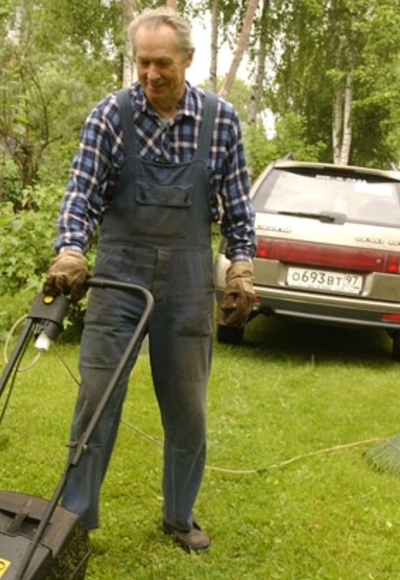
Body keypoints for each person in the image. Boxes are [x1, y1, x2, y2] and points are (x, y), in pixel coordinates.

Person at [42, 7, 256, 551]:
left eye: (163, 63)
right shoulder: (110, 116)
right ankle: (74, 521)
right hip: (118, 280)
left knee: (188, 407)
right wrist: (70, 251)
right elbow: (82, 195)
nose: (151, 74)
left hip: (186, 285)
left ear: (188, 59)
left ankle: (179, 516)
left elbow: (237, 211)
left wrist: (242, 267)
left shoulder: (221, 121)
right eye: (142, 63)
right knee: (97, 398)